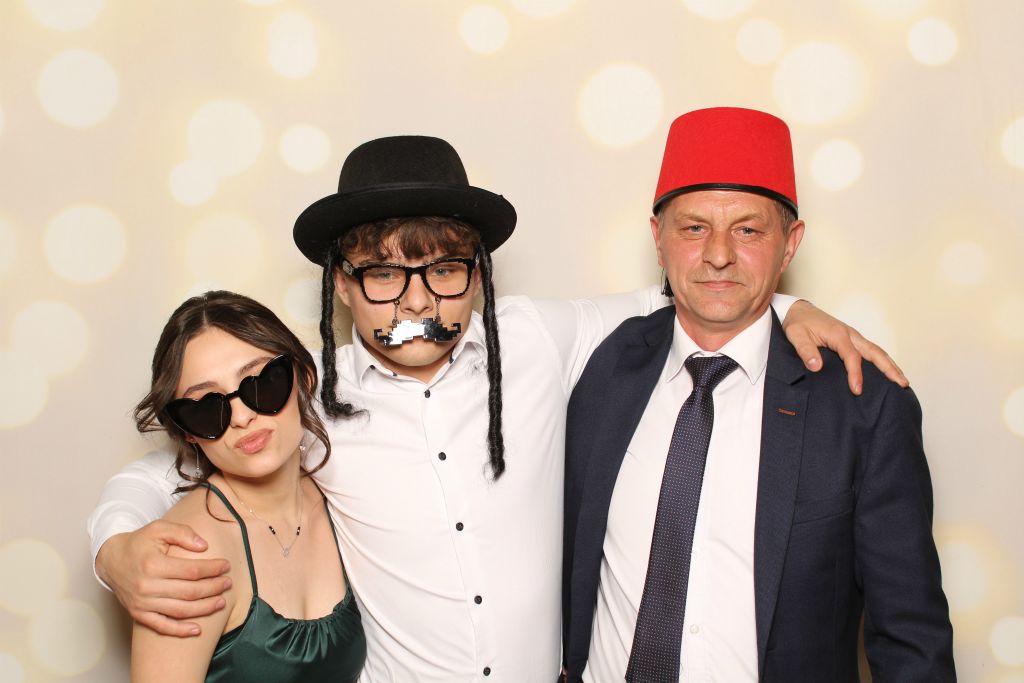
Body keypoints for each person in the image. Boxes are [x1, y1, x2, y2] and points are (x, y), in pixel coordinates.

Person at [89, 136, 907, 682]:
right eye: (383, 274)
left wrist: (791, 309)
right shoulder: (306, 403)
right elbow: (176, 464)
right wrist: (115, 547)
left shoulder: (539, 339)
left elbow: (692, 298)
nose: (416, 301)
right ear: (341, 284)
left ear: (478, 273)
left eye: (443, 269)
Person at [562, 107, 955, 682]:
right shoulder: (602, 366)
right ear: (658, 239)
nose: (719, 254)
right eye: (694, 228)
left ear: (790, 244)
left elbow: (911, 637)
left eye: (748, 230)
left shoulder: (862, 404)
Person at [129, 291, 365, 682]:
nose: (241, 417)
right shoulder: (189, 556)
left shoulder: (339, 497)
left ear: (303, 377)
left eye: (259, 384)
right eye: (207, 406)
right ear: (187, 432)